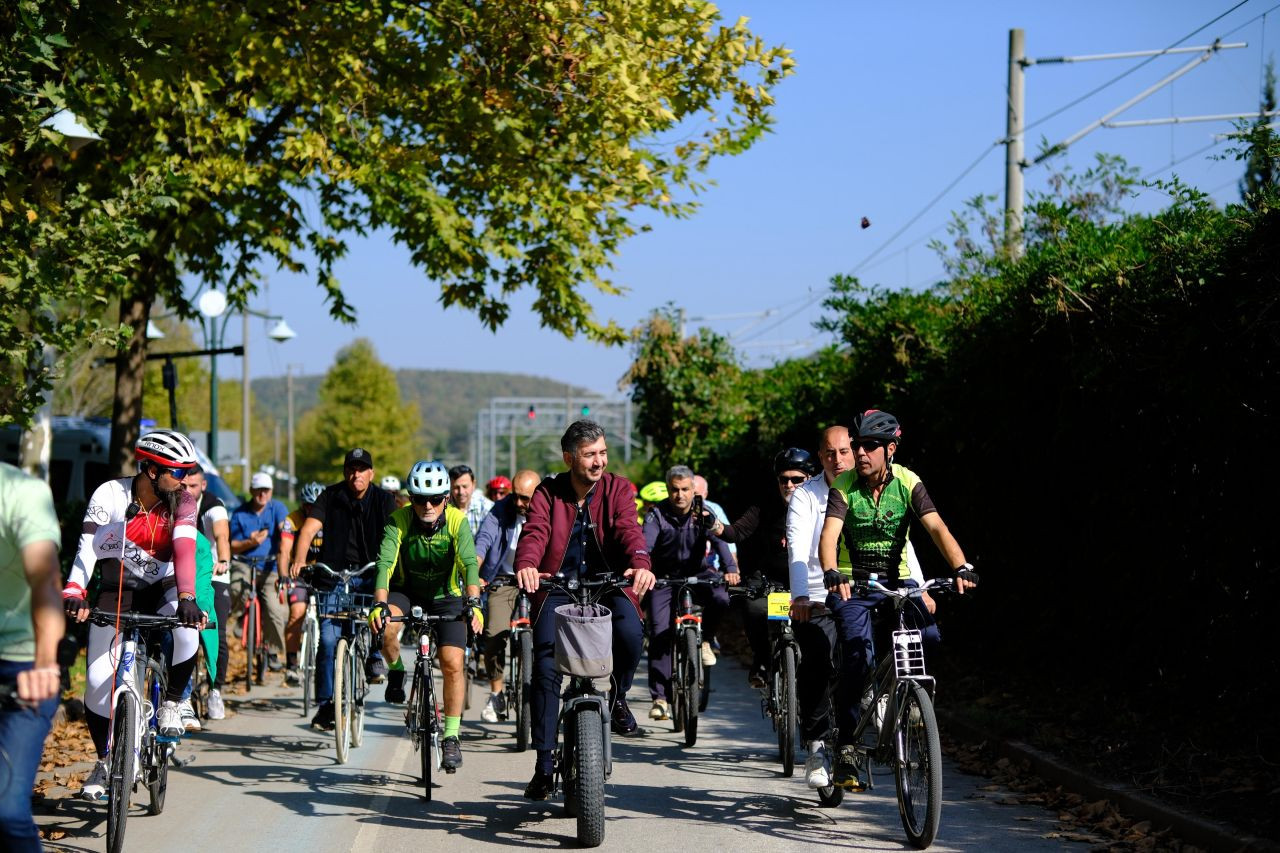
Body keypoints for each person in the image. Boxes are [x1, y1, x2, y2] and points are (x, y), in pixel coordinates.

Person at [818, 409, 976, 790]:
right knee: (857, 654)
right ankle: (847, 747)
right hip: (853, 585)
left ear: (890, 448)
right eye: (857, 445)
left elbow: (936, 527)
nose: (860, 453)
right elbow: (829, 534)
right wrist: (830, 571)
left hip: (899, 581)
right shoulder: (844, 484)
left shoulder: (908, 482)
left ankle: (902, 696)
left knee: (931, 637)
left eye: (870, 446)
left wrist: (962, 565)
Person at [514, 420, 654, 800]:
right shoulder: (547, 492)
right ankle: (544, 766)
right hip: (557, 586)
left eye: (603, 453)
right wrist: (528, 563)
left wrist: (640, 562)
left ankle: (618, 696)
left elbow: (629, 529)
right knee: (544, 669)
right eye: (590, 455)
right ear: (569, 458)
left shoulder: (619, 488)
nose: (599, 462)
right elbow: (536, 531)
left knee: (630, 632)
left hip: (608, 584)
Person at [63, 430, 206, 801]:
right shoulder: (109, 495)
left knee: (189, 631)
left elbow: (185, 550)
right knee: (96, 682)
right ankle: (104, 761)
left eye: (188, 472)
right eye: (177, 472)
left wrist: (188, 597)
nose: (184, 480)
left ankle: (172, 703)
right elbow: (86, 550)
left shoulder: (184, 501)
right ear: (151, 469)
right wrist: (75, 590)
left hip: (165, 587)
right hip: (118, 590)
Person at [789, 424, 934, 787]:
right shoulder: (806, 496)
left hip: (868, 586)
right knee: (819, 653)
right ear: (819, 457)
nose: (838, 460)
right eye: (829, 453)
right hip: (818, 592)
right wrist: (800, 597)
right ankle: (820, 743)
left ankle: (882, 691)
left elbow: (900, 545)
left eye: (844, 452)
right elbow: (797, 549)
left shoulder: (876, 485)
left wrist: (919, 586)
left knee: (895, 634)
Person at [368, 460, 482, 772]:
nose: (427, 506)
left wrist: (474, 602)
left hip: (447, 597)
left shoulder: (458, 521)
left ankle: (451, 736)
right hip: (407, 591)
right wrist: (379, 604)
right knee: (385, 627)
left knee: (452, 663)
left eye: (434, 499)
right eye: (419, 499)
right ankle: (394, 670)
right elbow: (385, 565)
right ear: (411, 499)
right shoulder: (398, 521)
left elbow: (468, 564)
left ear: (446, 498)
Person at [288, 447, 396, 730]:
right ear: (345, 471)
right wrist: (299, 560)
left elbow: (396, 534)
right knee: (327, 640)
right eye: (351, 468)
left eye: (361, 469)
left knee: (376, 617)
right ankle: (326, 706)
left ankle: (374, 656)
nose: (355, 474)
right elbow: (309, 528)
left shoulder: (384, 500)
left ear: (371, 473)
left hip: (372, 573)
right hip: (334, 576)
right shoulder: (330, 495)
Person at [709, 447, 818, 687]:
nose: (789, 485)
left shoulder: (821, 504)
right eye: (783, 479)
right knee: (755, 608)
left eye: (797, 479)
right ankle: (762, 660)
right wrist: (713, 524)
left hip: (810, 581)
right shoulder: (765, 505)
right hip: (772, 581)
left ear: (810, 479)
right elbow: (735, 532)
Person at [0, 462, 63, 851]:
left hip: (21, 663)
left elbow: (44, 578)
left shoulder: (21, 492)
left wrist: (44, 661)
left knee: (6, 810)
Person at [642, 465, 737, 721]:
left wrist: (730, 569)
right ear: (668, 489)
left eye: (685, 489)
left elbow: (720, 542)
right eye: (675, 489)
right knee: (660, 632)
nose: (680, 495)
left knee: (721, 597)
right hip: (663, 579)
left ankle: (705, 640)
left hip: (699, 574)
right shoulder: (656, 515)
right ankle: (660, 698)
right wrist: (641, 569)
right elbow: (645, 547)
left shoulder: (703, 512)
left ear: (693, 490)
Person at [474, 469, 540, 723]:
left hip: (537, 579)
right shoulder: (500, 509)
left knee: (549, 635)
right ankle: (497, 693)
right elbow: (484, 540)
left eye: (526, 498)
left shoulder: (549, 509)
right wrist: (475, 573)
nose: (519, 503)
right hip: (503, 580)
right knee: (493, 635)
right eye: (516, 497)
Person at [181, 468, 231, 721]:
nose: (188, 491)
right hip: (185, 573)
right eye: (185, 485)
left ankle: (216, 690)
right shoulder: (176, 501)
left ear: (203, 485)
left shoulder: (214, 505)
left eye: (193, 486)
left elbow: (221, 533)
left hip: (214, 573)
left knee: (216, 631)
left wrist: (222, 559)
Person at [229, 471, 290, 674]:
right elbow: (231, 546)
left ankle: (272, 651)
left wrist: (284, 534)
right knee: (237, 587)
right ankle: (238, 619)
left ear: (271, 491)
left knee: (275, 609)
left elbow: (284, 530)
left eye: (266, 490)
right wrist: (250, 542)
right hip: (245, 563)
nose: (262, 494)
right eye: (258, 490)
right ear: (251, 491)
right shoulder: (239, 514)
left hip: (270, 565)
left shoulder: (277, 509)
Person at [279, 481, 325, 686]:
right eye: (307, 505)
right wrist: (283, 576)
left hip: (324, 573)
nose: (310, 510)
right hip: (299, 572)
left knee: (329, 621)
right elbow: (283, 551)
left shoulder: (329, 518)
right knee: (296, 614)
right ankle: (291, 664)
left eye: (314, 506)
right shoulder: (292, 520)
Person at [448, 464, 493, 536]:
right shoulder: (443, 507)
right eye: (456, 487)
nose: (461, 492)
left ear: (473, 484)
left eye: (465, 486)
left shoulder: (486, 508)